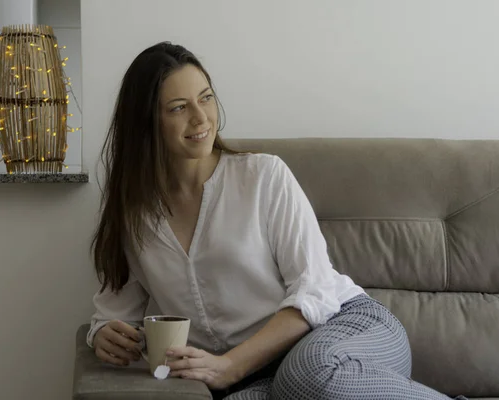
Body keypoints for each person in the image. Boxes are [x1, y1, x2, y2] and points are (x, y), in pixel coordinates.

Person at [87, 41, 467, 400]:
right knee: (293, 383)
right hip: (266, 376)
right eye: (178, 108)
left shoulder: (262, 177)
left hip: (346, 329)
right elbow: (114, 310)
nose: (201, 118)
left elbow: (315, 290)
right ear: (146, 123)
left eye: (205, 98)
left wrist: (230, 367)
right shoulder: (132, 215)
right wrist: (103, 333)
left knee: (308, 374)